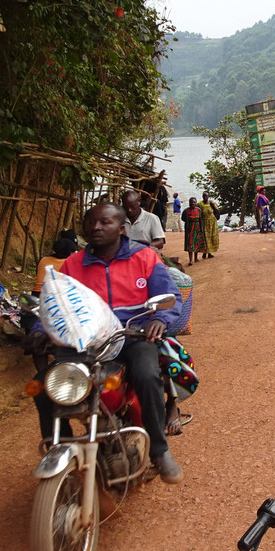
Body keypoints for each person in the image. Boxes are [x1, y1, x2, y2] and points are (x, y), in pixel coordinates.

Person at [26, 202, 184, 484]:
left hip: (130, 337)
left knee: (148, 376)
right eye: (91, 223)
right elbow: (53, 305)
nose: (96, 227)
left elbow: (170, 295)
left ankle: (159, 451)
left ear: (121, 229)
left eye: (105, 222)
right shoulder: (73, 264)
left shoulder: (144, 257)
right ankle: (59, 445)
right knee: (44, 384)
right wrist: (39, 329)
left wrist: (161, 317)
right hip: (83, 343)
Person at [181, 197, 206, 264]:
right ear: (189, 203)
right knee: (190, 244)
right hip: (190, 230)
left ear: (196, 203)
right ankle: (190, 260)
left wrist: (201, 229)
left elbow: (200, 219)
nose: (193, 203)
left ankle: (196, 257)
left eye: (194, 202)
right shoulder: (186, 211)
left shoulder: (199, 210)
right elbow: (183, 218)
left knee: (197, 243)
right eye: (191, 202)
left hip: (197, 228)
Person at [199, 191, 220, 258]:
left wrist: (213, 206)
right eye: (204, 196)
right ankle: (205, 252)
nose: (205, 197)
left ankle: (209, 253)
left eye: (206, 196)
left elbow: (217, 210)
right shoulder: (200, 204)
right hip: (205, 222)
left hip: (212, 222)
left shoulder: (212, 203)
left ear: (208, 197)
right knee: (205, 238)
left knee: (211, 237)